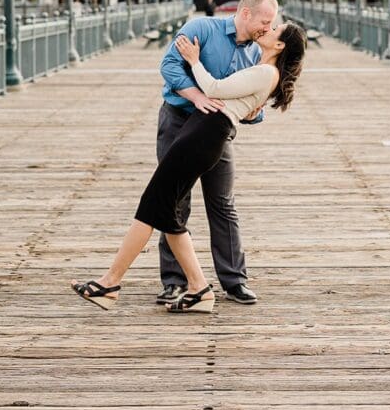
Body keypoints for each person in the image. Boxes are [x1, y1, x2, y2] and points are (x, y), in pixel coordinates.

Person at [71, 22, 307, 313]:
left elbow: (214, 88)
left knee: (153, 204)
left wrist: (194, 60)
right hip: (203, 132)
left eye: (275, 29)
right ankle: (198, 289)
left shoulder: (265, 72)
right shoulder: (262, 69)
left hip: (205, 134)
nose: (268, 29)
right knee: (166, 212)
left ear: (280, 45)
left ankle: (110, 283)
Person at [156, 0, 278, 306]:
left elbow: (251, 101)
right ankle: (174, 280)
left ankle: (234, 280)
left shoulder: (255, 54)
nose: (268, 27)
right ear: (246, 13)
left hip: (216, 132)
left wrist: (255, 113)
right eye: (265, 20)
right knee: (175, 201)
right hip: (179, 120)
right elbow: (169, 66)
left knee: (223, 203)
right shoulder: (201, 28)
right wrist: (196, 96)